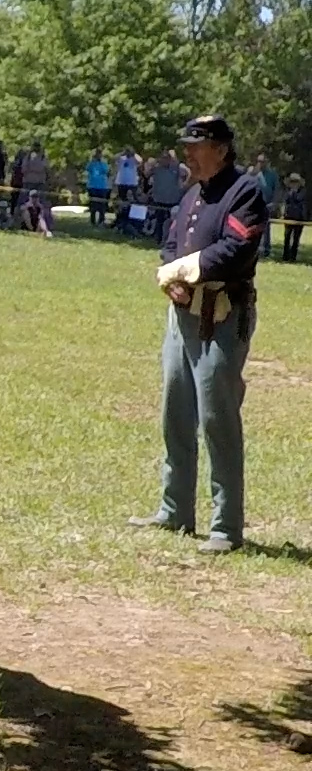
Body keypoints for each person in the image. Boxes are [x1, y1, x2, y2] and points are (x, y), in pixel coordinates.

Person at [128, 115, 267, 553]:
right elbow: (172, 242)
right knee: (176, 411)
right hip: (183, 312)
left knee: (216, 418)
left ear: (221, 150)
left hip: (222, 314)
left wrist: (184, 270)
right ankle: (175, 510)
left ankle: (226, 526)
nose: (187, 153)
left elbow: (237, 248)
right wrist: (172, 274)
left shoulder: (245, 192)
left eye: (196, 145)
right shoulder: (191, 194)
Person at [149, 149, 183, 243]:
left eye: (167, 158)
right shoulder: (156, 168)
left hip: (173, 198)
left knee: (173, 222)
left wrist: (184, 186)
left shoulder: (176, 168)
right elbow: (146, 173)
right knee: (159, 221)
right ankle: (158, 239)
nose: (164, 160)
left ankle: (171, 240)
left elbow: (187, 172)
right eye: (163, 158)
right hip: (160, 198)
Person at [283, 173, 307, 263]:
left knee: (296, 238)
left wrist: (294, 192)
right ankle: (285, 256)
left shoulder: (303, 191)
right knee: (287, 237)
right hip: (288, 217)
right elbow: (286, 200)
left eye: (296, 182)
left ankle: (293, 257)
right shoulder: (287, 191)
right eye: (292, 182)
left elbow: (299, 199)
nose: (294, 184)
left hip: (299, 218)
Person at [85, 148, 111, 226]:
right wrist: (92, 160)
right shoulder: (91, 163)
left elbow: (107, 171)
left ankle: (101, 221)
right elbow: (87, 168)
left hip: (102, 187)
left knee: (102, 206)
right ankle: (92, 221)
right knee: (93, 205)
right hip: (92, 186)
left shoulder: (103, 164)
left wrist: (101, 162)